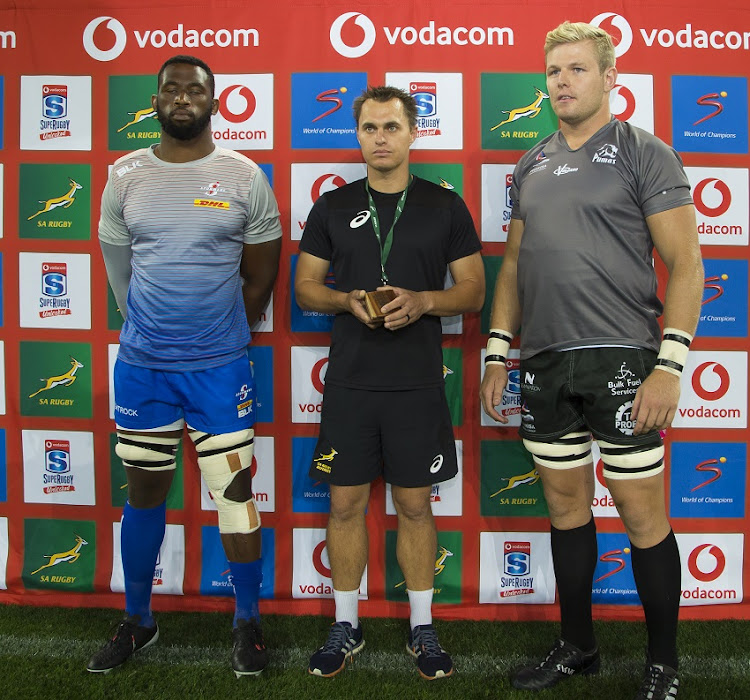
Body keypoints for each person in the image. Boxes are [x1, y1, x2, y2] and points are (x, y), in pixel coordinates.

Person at [480, 21, 703, 700]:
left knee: (642, 516)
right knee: (566, 508)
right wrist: (497, 353)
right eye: (553, 72)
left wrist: (670, 365)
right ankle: (578, 647)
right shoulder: (533, 161)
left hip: (623, 358)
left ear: (611, 79)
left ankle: (663, 662)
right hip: (545, 362)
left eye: (577, 69)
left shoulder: (643, 151)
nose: (562, 82)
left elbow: (688, 264)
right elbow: (515, 264)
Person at [88, 55, 282, 677]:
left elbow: (260, 277)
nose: (181, 98)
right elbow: (120, 274)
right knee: (143, 491)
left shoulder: (245, 176)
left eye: (193, 89)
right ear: (155, 102)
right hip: (144, 368)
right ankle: (138, 619)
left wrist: (220, 336)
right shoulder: (123, 176)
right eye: (170, 89)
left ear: (214, 102)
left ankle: (247, 622)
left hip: (219, 369)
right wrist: (156, 331)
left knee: (234, 494)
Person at [295, 86, 484, 680]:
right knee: (345, 503)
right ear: (357, 136)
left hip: (417, 383)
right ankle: (346, 624)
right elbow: (305, 288)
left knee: (413, 505)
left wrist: (426, 299)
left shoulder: (444, 206)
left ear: (412, 134)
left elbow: (474, 290)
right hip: (350, 384)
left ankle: (421, 626)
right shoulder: (331, 207)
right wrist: (347, 301)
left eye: (391, 127)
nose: (380, 138)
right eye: (370, 128)